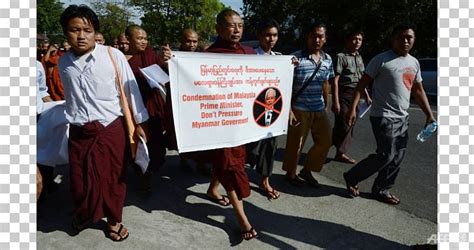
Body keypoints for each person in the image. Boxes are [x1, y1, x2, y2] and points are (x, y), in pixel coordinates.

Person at [58, 4, 149, 241]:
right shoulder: (63, 62)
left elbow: (131, 91)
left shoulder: (112, 55)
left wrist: (139, 122)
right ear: (65, 33)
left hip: (110, 129)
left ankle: (113, 220)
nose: (80, 36)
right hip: (79, 133)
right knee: (80, 181)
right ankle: (86, 211)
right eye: (74, 30)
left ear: (94, 31)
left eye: (86, 30)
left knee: (113, 180)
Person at [343, 24, 436, 205]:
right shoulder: (381, 59)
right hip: (383, 116)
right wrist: (353, 109)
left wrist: (429, 115)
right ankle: (352, 176)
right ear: (393, 39)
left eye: (409, 37)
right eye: (401, 37)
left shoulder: (414, 62)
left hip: (403, 117)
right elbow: (361, 85)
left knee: (398, 156)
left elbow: (418, 90)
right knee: (386, 154)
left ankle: (381, 189)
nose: (406, 40)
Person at [201, 9, 258, 241]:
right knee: (229, 166)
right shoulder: (208, 56)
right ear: (218, 29)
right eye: (231, 25)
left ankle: (212, 188)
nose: (236, 30)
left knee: (227, 162)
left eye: (240, 25)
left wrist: (286, 66)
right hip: (219, 123)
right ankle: (243, 220)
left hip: (241, 122)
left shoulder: (249, 53)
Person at [282, 22, 334, 187]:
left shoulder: (327, 59)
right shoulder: (295, 59)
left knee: (325, 142)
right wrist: (288, 109)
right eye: (313, 36)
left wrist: (327, 103)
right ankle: (291, 174)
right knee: (296, 145)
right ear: (307, 37)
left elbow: (326, 82)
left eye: (320, 36)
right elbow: (286, 85)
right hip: (299, 108)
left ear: (325, 39)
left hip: (318, 107)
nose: (316, 39)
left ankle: (307, 170)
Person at [125, 24, 171, 193]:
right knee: (139, 145)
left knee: (157, 146)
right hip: (134, 109)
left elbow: (165, 72)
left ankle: (150, 169)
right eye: (139, 38)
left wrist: (166, 63)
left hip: (153, 109)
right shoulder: (122, 60)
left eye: (145, 38)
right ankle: (144, 176)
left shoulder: (151, 55)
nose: (144, 42)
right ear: (128, 39)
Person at [246, 19, 282, 200]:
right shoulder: (250, 56)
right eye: (268, 35)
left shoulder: (281, 59)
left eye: (274, 35)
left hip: (272, 109)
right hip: (251, 110)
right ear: (260, 36)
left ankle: (265, 180)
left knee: (271, 145)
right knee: (250, 147)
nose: (271, 39)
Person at [331, 31, 370, 164]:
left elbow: (361, 80)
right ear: (347, 41)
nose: (357, 41)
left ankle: (339, 152)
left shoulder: (359, 57)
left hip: (356, 94)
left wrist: (367, 96)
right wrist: (335, 101)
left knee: (350, 124)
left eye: (359, 39)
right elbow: (335, 80)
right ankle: (333, 147)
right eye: (353, 39)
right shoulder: (341, 57)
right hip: (344, 93)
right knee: (343, 123)